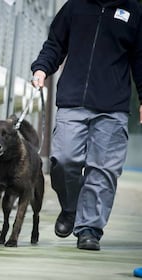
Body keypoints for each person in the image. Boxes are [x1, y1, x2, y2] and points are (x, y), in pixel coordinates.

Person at [31, 0, 142, 251]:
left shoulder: (133, 11)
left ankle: (89, 229)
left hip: (113, 106)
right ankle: (71, 207)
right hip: (73, 100)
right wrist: (41, 69)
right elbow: (55, 44)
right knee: (64, 159)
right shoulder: (75, 6)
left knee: (103, 170)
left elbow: (140, 59)